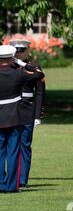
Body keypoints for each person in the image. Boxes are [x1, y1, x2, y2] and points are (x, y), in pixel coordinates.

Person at [0, 45, 45, 193]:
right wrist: (23, 63)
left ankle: (1, 183)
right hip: (14, 117)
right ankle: (11, 186)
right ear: (11, 57)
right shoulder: (17, 74)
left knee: (0, 152)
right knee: (13, 152)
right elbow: (38, 73)